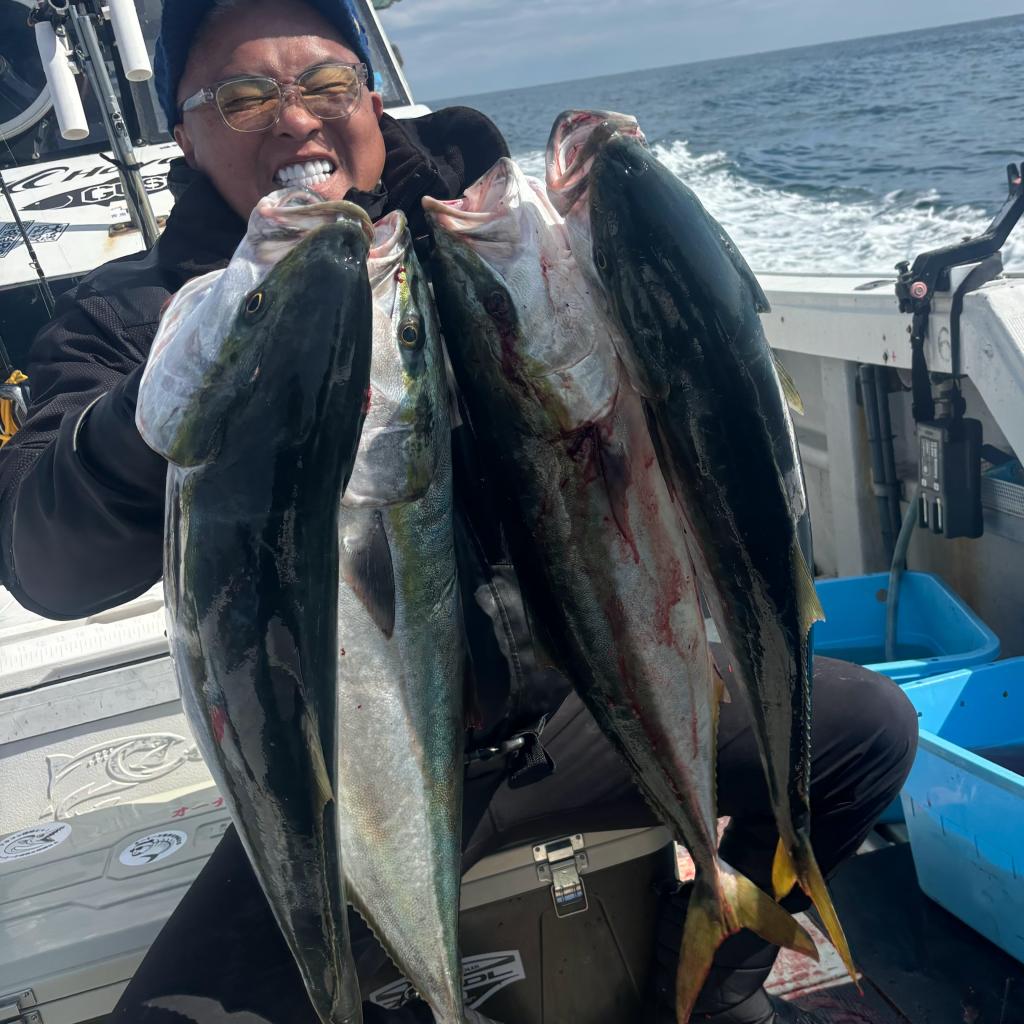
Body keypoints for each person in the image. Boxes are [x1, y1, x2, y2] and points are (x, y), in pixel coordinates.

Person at [0, 1, 918, 1021]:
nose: (295, 119)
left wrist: (629, 226)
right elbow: (46, 557)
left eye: (325, 83)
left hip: (581, 700)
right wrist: (147, 413)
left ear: (372, 91)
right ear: (184, 129)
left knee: (867, 729)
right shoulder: (139, 313)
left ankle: (707, 974)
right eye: (245, 95)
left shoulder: (462, 222)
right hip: (364, 756)